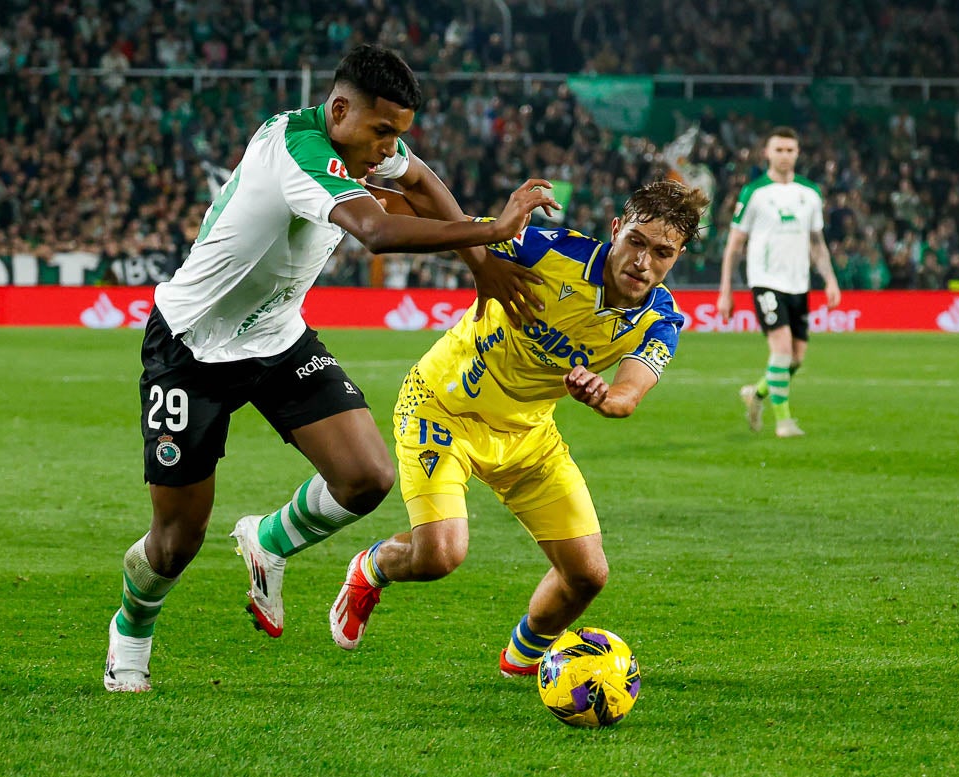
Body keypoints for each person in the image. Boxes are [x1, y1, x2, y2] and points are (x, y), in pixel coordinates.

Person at [103, 44, 559, 693]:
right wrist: (490, 231)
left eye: (396, 134)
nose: (387, 149)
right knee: (177, 540)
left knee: (366, 478)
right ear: (339, 108)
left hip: (278, 338)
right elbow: (374, 230)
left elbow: (421, 183)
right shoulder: (300, 151)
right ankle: (131, 630)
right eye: (380, 132)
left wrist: (482, 271)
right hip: (191, 348)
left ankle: (266, 540)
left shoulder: (362, 142)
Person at [328, 181, 708, 677]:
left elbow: (627, 397)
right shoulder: (549, 250)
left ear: (676, 258)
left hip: (527, 435)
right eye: (636, 241)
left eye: (662, 253)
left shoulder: (661, 319)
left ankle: (524, 660)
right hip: (442, 409)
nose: (643, 262)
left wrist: (603, 394)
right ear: (616, 230)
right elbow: (461, 230)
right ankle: (371, 568)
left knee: (588, 575)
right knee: (440, 556)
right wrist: (403, 187)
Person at [717, 127, 840, 438]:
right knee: (782, 349)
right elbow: (734, 246)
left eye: (790, 150)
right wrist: (726, 291)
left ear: (797, 154)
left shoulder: (810, 193)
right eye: (779, 150)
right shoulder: (754, 193)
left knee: (796, 359)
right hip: (765, 281)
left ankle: (756, 394)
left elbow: (817, 242)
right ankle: (783, 421)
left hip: (799, 283)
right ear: (767, 153)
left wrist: (830, 279)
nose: (785, 155)